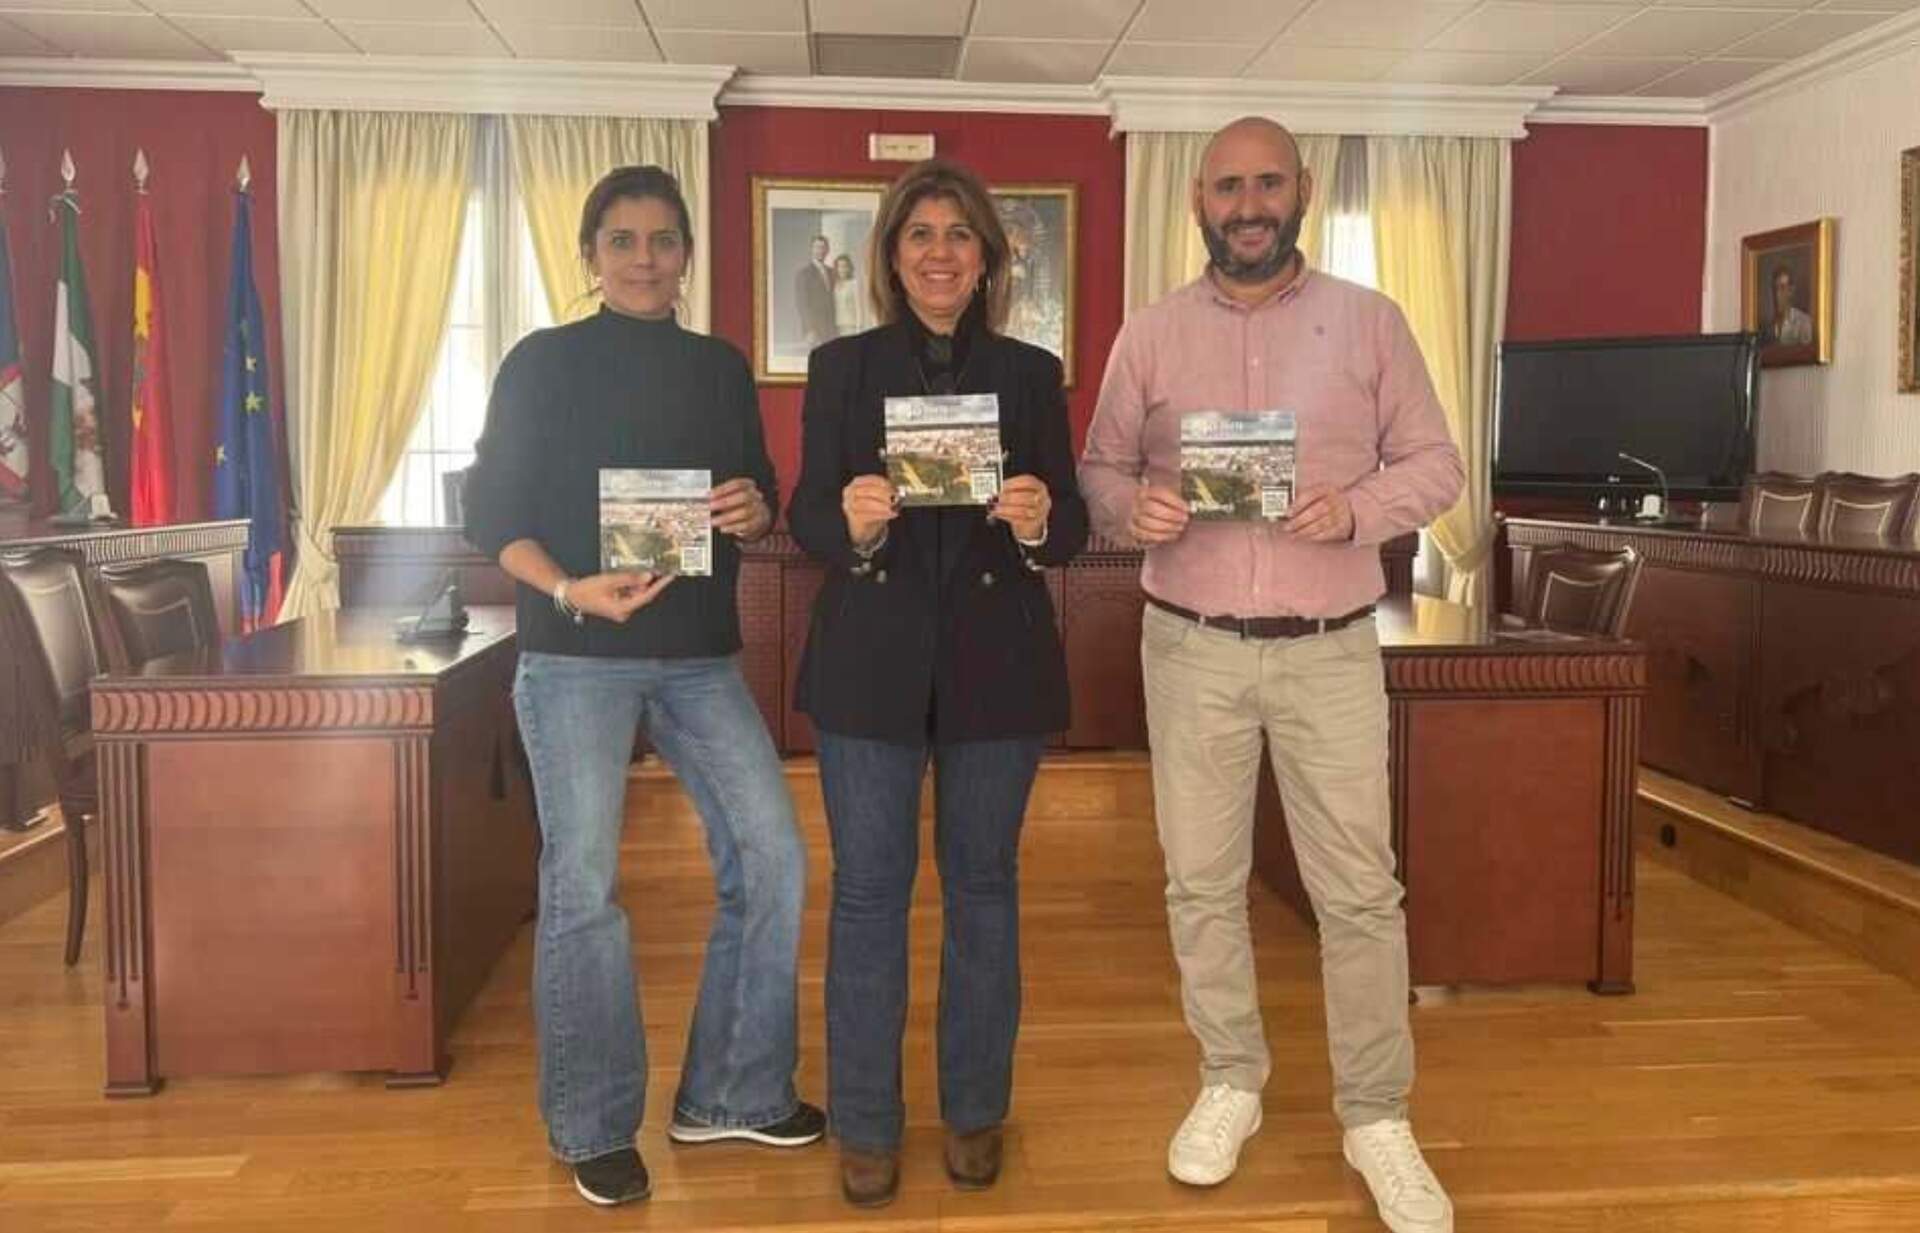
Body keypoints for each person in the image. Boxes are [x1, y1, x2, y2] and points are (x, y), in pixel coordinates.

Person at [1079, 117, 1463, 1233]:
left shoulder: (1372, 321)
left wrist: (1359, 509)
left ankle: (1377, 1114)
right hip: (1188, 642)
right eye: (1227, 186)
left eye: (1267, 183)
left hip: (1330, 647)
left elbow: (1436, 462)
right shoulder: (1147, 335)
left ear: (1300, 191)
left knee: (1360, 892)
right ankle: (1231, 1080)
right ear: (1197, 201)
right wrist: (1126, 505)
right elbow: (1102, 465)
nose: (1248, 203)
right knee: (1200, 882)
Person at [463, 164, 824, 1210]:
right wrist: (572, 586)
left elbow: (759, 494)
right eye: (621, 241)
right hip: (574, 652)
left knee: (774, 859)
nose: (643, 259)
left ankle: (733, 1092)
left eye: (663, 240)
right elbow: (493, 512)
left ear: (687, 257)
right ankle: (590, 1123)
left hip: (703, 656)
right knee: (584, 890)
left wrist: (756, 510)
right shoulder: (540, 363)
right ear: (589, 256)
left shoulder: (719, 366)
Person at [788, 157, 1088, 1209]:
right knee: (868, 897)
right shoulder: (841, 368)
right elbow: (805, 518)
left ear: (988, 257)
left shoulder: (1030, 371)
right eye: (920, 234)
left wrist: (1043, 516)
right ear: (891, 255)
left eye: (960, 234)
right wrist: (851, 520)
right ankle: (866, 1123)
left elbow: (1076, 530)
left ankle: (974, 1112)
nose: (941, 252)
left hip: (996, 669)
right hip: (869, 665)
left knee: (983, 893)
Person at [796, 233, 839, 348]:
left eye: (823, 248)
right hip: (815, 329)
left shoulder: (832, 272)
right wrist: (810, 329)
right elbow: (802, 304)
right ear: (811, 250)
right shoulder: (804, 274)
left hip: (831, 328)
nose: (820, 251)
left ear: (827, 250)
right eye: (817, 247)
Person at [1767, 266, 1814, 346]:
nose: (1777, 294)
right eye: (1775, 289)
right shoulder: (1769, 325)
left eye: (1782, 288)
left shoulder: (1803, 321)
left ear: (1790, 291)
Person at [832, 252, 866, 336]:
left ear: (849, 268)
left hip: (851, 326)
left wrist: (859, 328)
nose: (842, 269)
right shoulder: (835, 285)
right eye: (840, 266)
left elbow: (859, 307)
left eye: (845, 266)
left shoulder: (855, 284)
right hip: (838, 326)